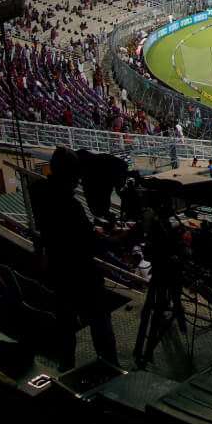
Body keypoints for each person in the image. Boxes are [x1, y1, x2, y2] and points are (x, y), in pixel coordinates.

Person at [34, 147, 120, 368]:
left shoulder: (41, 192)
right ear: (69, 174)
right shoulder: (69, 205)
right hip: (80, 274)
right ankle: (110, 367)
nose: (78, 181)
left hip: (58, 270)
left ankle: (66, 366)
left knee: (65, 324)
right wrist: (122, 238)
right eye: (76, 175)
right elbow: (91, 244)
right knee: (100, 323)